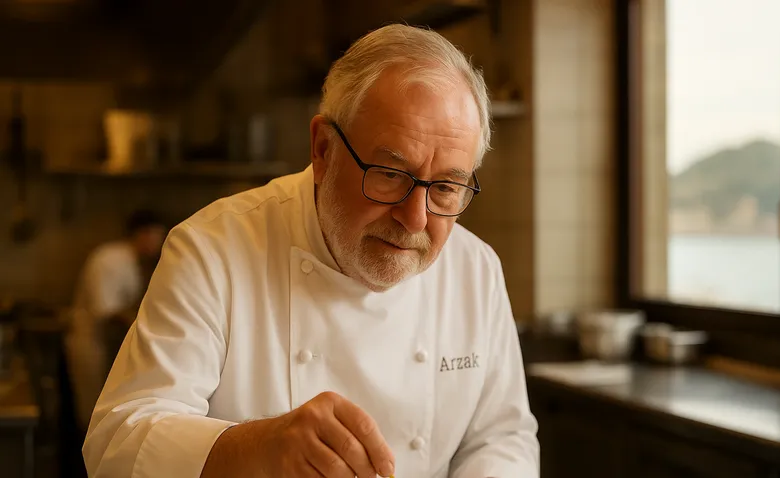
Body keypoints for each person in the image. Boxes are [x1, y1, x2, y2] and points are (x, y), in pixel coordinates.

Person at [83, 24, 540, 478]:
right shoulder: (213, 250)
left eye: (445, 187)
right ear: (324, 149)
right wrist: (258, 447)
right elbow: (118, 444)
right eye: (389, 174)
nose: (415, 218)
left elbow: (500, 437)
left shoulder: (475, 270)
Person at [65, 209, 167, 433]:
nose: (158, 243)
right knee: (92, 415)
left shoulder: (132, 260)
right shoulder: (110, 259)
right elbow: (107, 310)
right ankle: (87, 466)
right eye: (155, 236)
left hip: (105, 344)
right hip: (91, 343)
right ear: (142, 234)